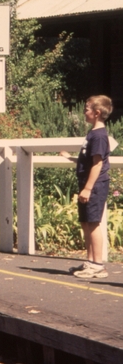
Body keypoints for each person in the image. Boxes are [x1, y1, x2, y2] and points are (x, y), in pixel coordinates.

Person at [60, 95, 114, 279]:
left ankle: (98, 266)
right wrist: (71, 158)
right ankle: (90, 262)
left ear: (97, 113)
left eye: (87, 109)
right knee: (85, 223)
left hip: (95, 185)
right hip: (86, 183)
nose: (84, 111)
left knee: (93, 223)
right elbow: (88, 160)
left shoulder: (99, 136)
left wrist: (88, 188)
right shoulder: (92, 133)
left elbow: (98, 164)